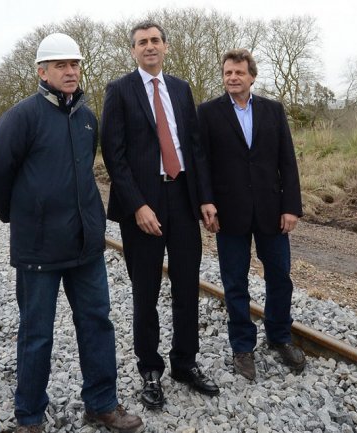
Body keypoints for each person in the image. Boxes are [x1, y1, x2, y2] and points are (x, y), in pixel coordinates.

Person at [0, 33, 143, 433]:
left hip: (85, 246)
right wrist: (20, 218)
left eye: (75, 64)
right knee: (36, 334)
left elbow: (85, 169)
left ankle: (102, 404)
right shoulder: (21, 117)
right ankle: (30, 417)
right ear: (42, 71)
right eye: (61, 65)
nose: (71, 71)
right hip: (38, 250)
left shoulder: (88, 118)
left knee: (97, 324)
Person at [100, 21, 219, 410]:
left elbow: (195, 148)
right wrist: (137, 206)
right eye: (141, 43)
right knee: (145, 293)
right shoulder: (119, 91)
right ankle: (150, 370)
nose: (149, 47)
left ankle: (185, 363)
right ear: (133, 51)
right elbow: (113, 156)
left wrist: (204, 198)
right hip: (143, 208)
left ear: (166, 47)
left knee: (187, 288)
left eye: (155, 41)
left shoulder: (182, 89)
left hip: (183, 202)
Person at [197, 49, 306, 381]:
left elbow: (286, 160)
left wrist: (291, 206)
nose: (232, 78)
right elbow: (201, 161)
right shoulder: (207, 112)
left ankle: (279, 336)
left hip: (272, 211)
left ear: (252, 76)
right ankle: (242, 346)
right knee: (235, 282)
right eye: (228, 72)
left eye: (239, 73)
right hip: (228, 213)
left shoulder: (272, 110)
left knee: (279, 277)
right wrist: (206, 202)